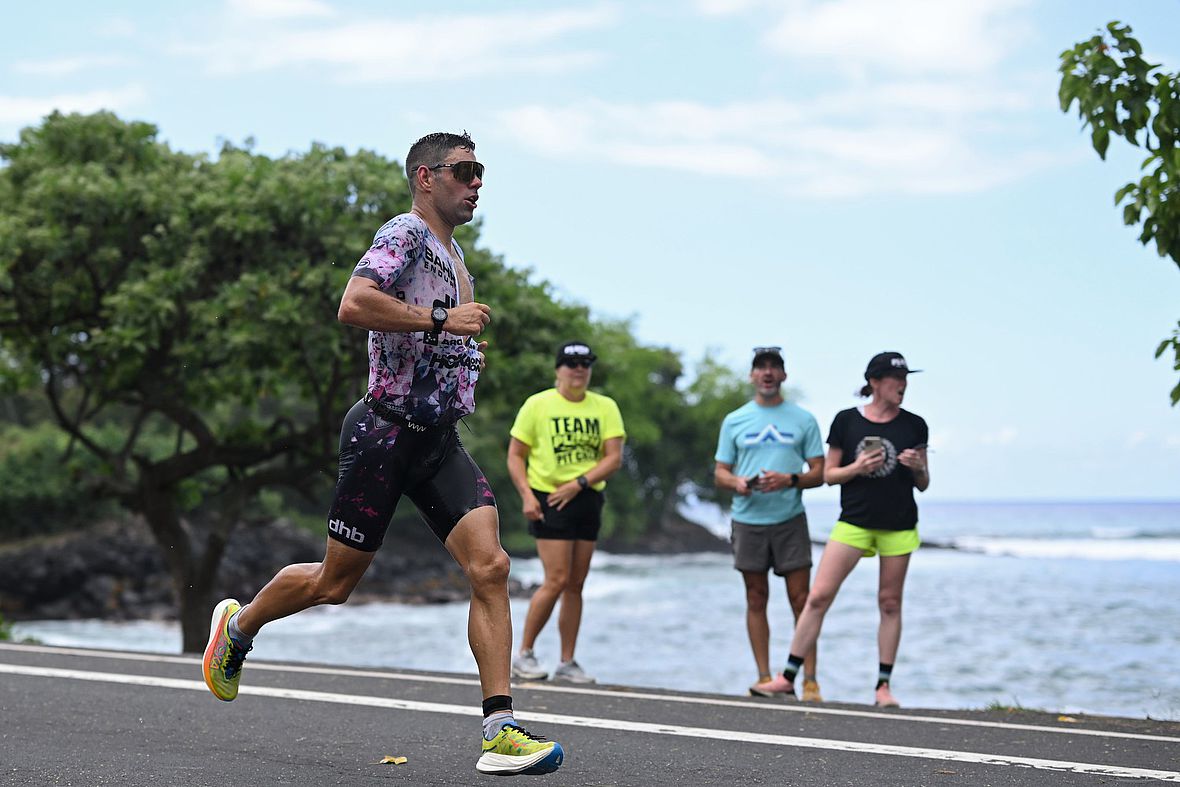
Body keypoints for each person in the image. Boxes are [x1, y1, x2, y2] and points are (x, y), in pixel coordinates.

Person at [201, 131, 564, 777]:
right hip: (384, 433)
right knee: (334, 583)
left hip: (438, 442)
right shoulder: (405, 232)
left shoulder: (453, 252)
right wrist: (440, 322)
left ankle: (500, 728)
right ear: (426, 176)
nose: (477, 182)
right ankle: (238, 627)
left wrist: (460, 346)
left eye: (481, 172)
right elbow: (354, 303)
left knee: (493, 566)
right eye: (465, 171)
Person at [776, 351, 930, 708]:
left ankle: (883, 688)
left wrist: (918, 467)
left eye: (906, 378)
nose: (903, 384)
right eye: (896, 379)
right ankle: (786, 678)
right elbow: (829, 475)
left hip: (899, 525)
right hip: (854, 522)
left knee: (890, 603)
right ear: (875, 382)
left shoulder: (915, 425)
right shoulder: (847, 421)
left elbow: (923, 484)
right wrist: (859, 466)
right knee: (817, 598)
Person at [506, 341, 626, 684]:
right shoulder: (538, 404)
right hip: (549, 497)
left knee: (576, 583)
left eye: (586, 363)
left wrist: (581, 483)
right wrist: (527, 497)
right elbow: (516, 455)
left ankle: (567, 661)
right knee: (556, 579)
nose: (579, 369)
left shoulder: (605, 407)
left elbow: (613, 457)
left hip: (586, 496)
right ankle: (524, 654)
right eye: (572, 362)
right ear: (558, 368)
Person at [714, 346, 825, 701]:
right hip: (748, 520)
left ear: (783, 375)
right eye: (760, 367)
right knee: (755, 596)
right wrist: (738, 483)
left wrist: (789, 479)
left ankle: (808, 681)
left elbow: (819, 472)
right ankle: (764, 676)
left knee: (802, 599)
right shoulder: (735, 420)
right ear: (752, 376)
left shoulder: (803, 419)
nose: (767, 373)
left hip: (789, 518)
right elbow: (720, 472)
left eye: (774, 367)